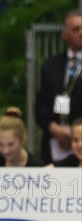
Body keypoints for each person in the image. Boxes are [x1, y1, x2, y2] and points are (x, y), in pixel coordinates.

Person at [35, 10, 82, 163]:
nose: (81, 33)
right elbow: (41, 104)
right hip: (53, 143)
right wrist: (53, 128)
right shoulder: (51, 65)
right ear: (64, 34)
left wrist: (75, 133)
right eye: (76, 29)